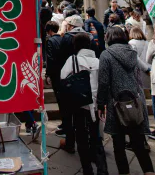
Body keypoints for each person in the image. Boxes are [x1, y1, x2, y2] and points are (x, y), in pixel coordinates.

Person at [97, 27, 154, 175]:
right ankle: (149, 171)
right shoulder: (132, 53)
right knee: (138, 144)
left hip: (117, 102)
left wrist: (100, 103)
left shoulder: (106, 55)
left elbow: (103, 82)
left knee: (119, 144)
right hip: (135, 101)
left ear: (109, 38)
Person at [61, 33, 108, 175]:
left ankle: (87, 169)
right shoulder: (98, 61)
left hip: (79, 103)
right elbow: (104, 82)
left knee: (81, 137)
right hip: (96, 104)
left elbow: (63, 77)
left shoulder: (73, 60)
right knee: (96, 137)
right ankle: (102, 170)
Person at [58, 15, 93, 149]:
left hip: (70, 80)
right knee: (89, 116)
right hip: (90, 81)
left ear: (71, 26)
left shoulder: (66, 38)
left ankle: (70, 141)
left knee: (69, 114)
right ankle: (92, 142)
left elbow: (60, 59)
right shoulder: (88, 37)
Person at [129, 27, 155, 135]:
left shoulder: (134, 43)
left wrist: (146, 68)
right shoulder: (148, 42)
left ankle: (149, 126)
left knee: (151, 101)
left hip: (144, 72)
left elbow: (144, 59)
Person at [45, 21, 62, 136]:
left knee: (60, 99)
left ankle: (65, 123)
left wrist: (48, 74)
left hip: (56, 73)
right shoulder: (63, 39)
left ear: (49, 30)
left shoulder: (50, 41)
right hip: (64, 72)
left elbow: (50, 59)